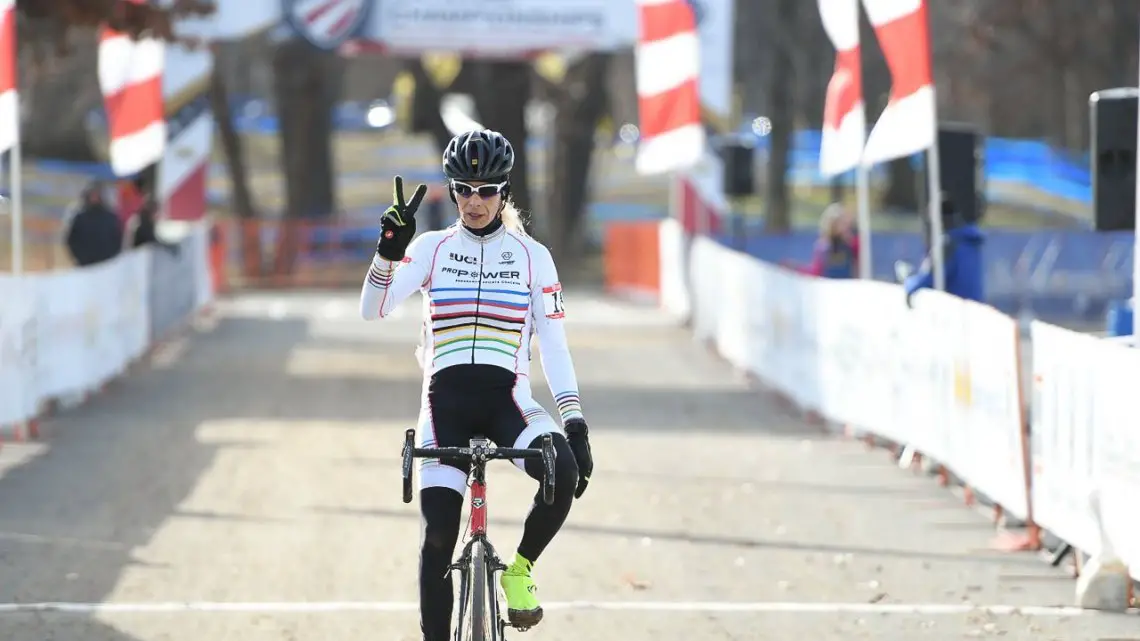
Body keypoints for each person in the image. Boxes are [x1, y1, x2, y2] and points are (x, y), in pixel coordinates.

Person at [358, 129, 594, 641]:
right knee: (439, 536)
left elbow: (554, 346)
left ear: (504, 192)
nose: (474, 201)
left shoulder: (534, 257)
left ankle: (519, 571)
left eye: (487, 190)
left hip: (509, 400)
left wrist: (574, 422)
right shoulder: (431, 248)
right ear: (452, 190)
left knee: (565, 472)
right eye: (464, 188)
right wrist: (386, 252)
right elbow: (371, 309)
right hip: (444, 404)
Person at [903, 194, 985, 306]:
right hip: (976, 307)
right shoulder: (972, 241)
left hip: (955, 308)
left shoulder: (948, 243)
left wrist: (908, 282)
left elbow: (929, 278)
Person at [65, 181, 124, 267]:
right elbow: (71, 240)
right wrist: (80, 258)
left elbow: (117, 238)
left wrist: (112, 256)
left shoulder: (110, 217)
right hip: (86, 265)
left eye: (97, 195)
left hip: (107, 264)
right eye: (92, 195)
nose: (94, 197)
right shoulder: (79, 217)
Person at [792, 203, 859, 278]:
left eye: (844, 223)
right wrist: (796, 268)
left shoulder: (852, 244)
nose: (843, 226)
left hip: (847, 285)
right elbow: (816, 271)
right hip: (828, 285)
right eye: (838, 223)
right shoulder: (823, 246)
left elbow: (859, 267)